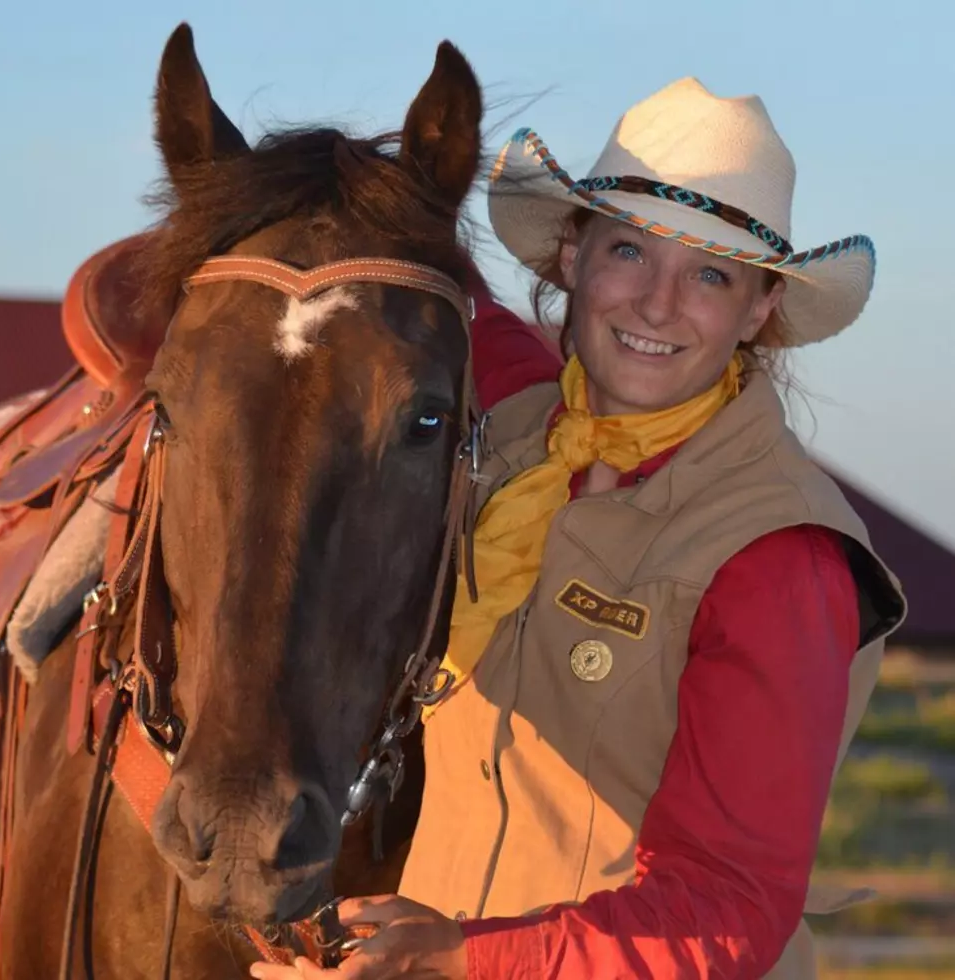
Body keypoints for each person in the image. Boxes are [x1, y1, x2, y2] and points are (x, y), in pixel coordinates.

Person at [252, 77, 906, 980]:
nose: (657, 305)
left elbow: (731, 903)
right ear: (572, 256)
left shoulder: (779, 555)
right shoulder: (512, 433)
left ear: (760, 310)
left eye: (710, 275)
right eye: (630, 253)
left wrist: (460, 958)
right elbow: (409, 307)